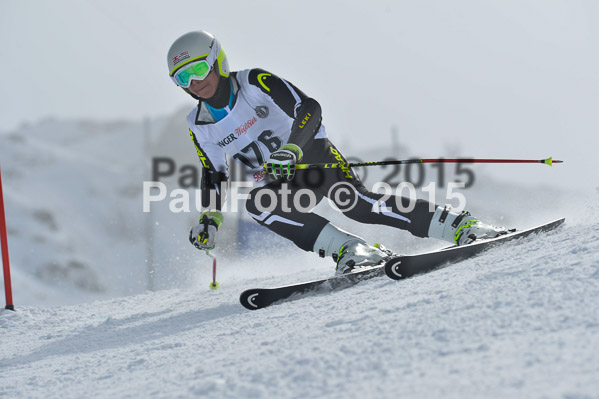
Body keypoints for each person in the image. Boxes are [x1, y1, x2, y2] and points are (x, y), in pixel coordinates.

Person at [167, 30, 509, 275]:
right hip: (285, 181)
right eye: (183, 77)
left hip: (313, 155)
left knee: (355, 204)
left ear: (217, 61)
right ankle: (353, 250)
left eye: (198, 69)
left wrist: (290, 149)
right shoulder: (199, 124)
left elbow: (309, 109)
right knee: (259, 205)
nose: (195, 82)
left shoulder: (254, 82)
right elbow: (215, 173)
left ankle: (463, 226)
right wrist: (210, 219)